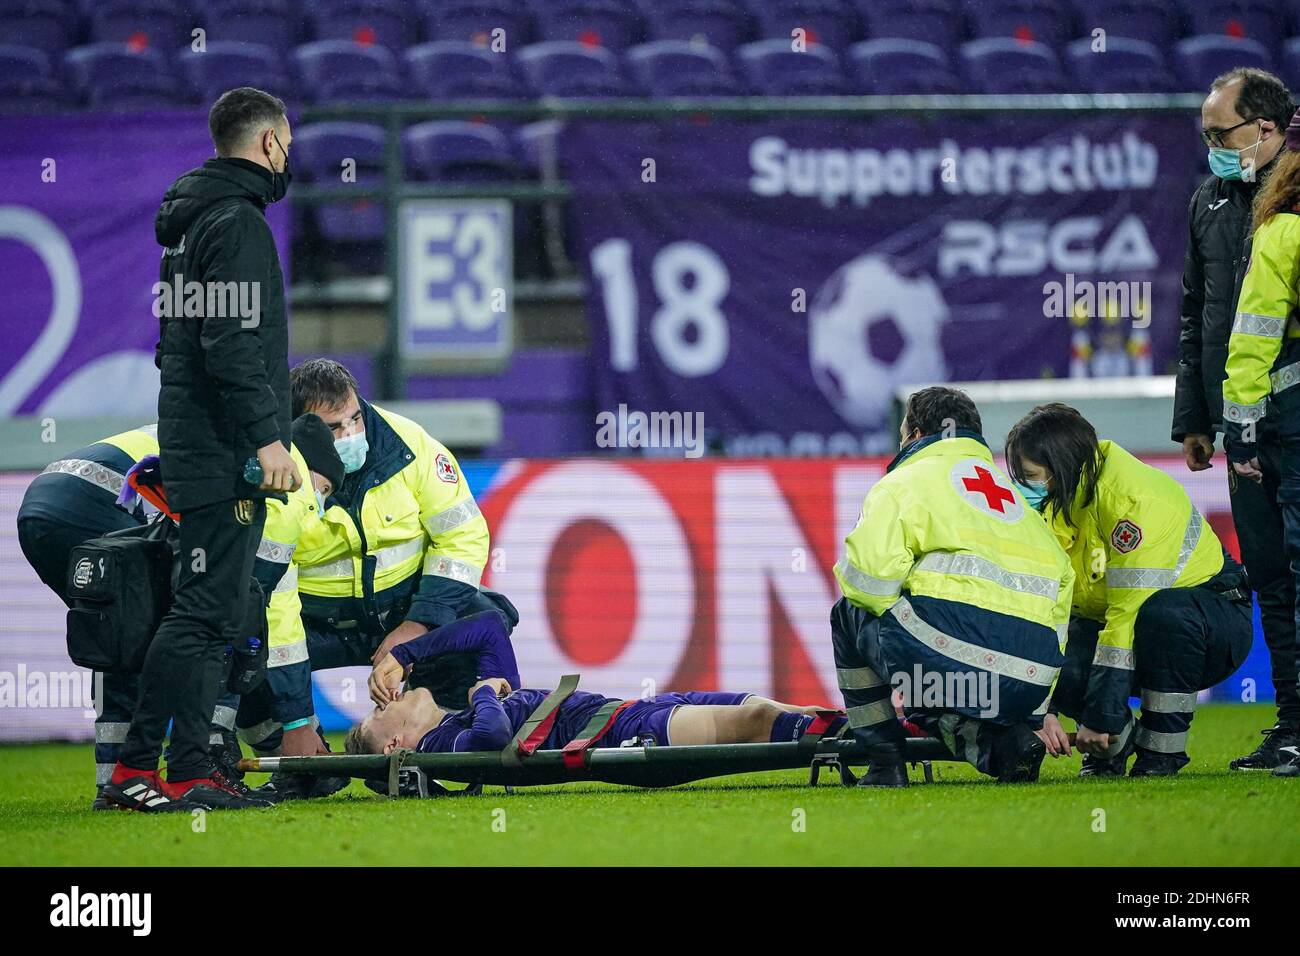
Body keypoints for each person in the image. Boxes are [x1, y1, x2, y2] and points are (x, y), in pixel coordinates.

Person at [105, 87, 301, 813]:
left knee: (209, 612)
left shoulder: (186, 230)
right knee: (203, 615)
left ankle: (178, 767)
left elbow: (176, 348)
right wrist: (267, 438)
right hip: (222, 455)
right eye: (289, 143)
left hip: (193, 443)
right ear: (270, 143)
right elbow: (229, 347)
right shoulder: (238, 226)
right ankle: (158, 771)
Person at [830, 387, 1074, 788]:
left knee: (847, 614)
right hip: (1030, 681)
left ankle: (884, 763)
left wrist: (909, 621)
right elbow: (1060, 605)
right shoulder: (1014, 498)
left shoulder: (902, 484)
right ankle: (1008, 746)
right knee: (928, 690)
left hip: (951, 663)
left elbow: (869, 585)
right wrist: (1035, 713)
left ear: (915, 435)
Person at [1006, 404, 1254, 777]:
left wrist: (1098, 717)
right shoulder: (1061, 501)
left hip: (1213, 626)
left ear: (1062, 467)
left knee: (1163, 615)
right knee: (1062, 652)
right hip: (1130, 628)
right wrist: (1043, 710)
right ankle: (1114, 748)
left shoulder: (1132, 501)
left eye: (1032, 477)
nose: (1026, 488)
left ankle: (1160, 753)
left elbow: (1126, 619)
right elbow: (1047, 612)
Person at [1173, 67, 1298, 770]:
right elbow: (1197, 315)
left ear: (1268, 129)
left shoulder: (1295, 210)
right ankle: (1292, 724)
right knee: (1272, 578)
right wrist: (1197, 417)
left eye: (1223, 135)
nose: (1214, 148)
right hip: (1244, 424)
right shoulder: (1211, 203)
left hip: (1294, 415)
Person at [279, 358, 517, 721]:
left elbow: (462, 537)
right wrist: (295, 719)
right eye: (333, 428)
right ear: (302, 427)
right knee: (244, 645)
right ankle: (290, 757)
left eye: (355, 419)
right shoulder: (279, 469)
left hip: (407, 609)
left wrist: (419, 624)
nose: (350, 435)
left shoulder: (411, 445)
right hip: (313, 623)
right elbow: (270, 581)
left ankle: (443, 741)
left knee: (480, 620)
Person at [347, 611, 844, 756]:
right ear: (394, 745)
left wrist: (404, 654)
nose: (380, 701)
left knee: (757, 702)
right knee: (757, 720)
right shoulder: (451, 740)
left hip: (630, 710)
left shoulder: (471, 713)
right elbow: (494, 739)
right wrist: (482, 691)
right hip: (623, 734)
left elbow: (490, 627)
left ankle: (864, 725)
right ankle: (863, 738)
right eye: (374, 713)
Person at [16, 424, 158, 806]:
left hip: (39, 503)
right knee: (137, 635)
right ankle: (155, 775)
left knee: (116, 640)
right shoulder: (241, 448)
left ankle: (112, 783)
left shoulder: (182, 424)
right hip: (93, 503)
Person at [1222, 104, 1300, 777]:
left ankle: (1296, 728)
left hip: (1287, 419)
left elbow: (1252, 336)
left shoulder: (1281, 231)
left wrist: (1241, 431)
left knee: (1284, 577)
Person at [232, 414, 353, 800]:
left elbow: (277, 624)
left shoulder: (257, 490)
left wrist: (300, 721)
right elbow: (243, 615)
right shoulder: (290, 498)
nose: (319, 506)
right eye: (325, 489)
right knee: (221, 640)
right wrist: (301, 724)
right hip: (116, 498)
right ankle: (202, 766)